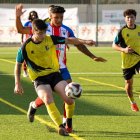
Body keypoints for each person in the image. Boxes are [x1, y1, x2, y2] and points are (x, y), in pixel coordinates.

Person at [15, 4, 107, 133]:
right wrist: (17, 16)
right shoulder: (41, 27)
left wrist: (91, 54)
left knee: (69, 96)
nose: (59, 20)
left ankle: (67, 124)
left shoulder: (65, 29)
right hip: (40, 73)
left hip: (60, 68)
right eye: (56, 17)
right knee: (47, 96)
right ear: (50, 16)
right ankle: (36, 106)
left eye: (61, 17)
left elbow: (73, 41)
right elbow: (20, 30)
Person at [112, 9, 140, 112]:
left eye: (132, 17)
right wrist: (124, 49)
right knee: (129, 84)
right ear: (125, 19)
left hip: (139, 58)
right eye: (128, 17)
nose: (130, 19)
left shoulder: (139, 29)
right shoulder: (122, 31)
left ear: (135, 18)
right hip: (127, 62)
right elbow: (113, 45)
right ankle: (132, 102)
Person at [21, 10, 39, 77]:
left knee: (36, 56)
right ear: (30, 16)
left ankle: (36, 70)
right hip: (28, 42)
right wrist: (21, 40)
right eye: (32, 15)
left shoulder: (37, 23)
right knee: (26, 57)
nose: (33, 16)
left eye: (34, 14)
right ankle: (25, 71)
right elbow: (22, 32)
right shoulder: (27, 23)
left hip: (36, 42)